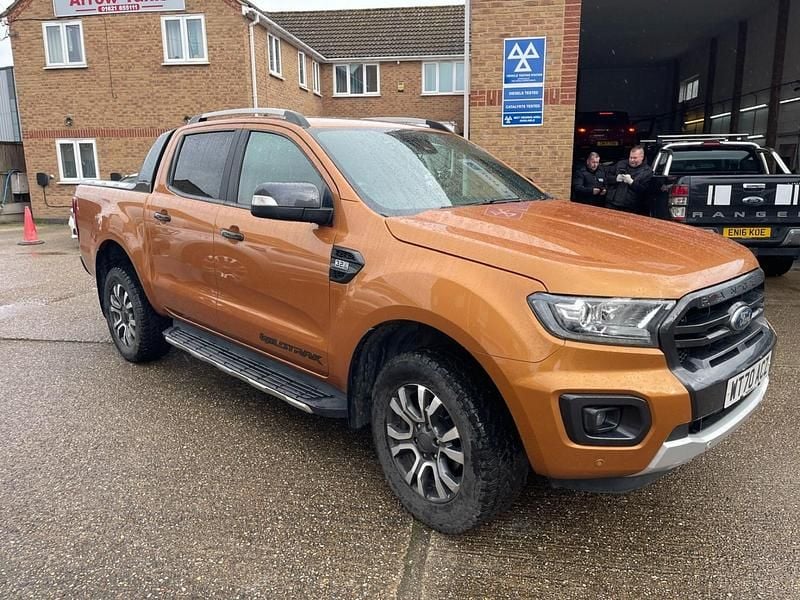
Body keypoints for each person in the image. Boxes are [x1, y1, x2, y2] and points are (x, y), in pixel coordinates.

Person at [605, 145, 653, 215]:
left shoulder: (647, 171)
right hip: (612, 204)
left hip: (631, 207)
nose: (632, 160)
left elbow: (645, 191)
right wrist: (615, 179)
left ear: (642, 157)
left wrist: (632, 182)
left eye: (635, 158)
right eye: (630, 157)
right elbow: (606, 177)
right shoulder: (620, 164)